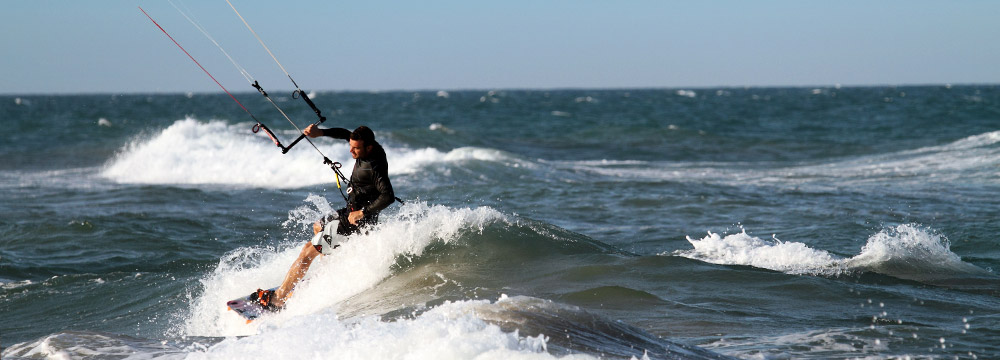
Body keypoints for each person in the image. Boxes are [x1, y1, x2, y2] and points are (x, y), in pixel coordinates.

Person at [248, 124, 395, 310]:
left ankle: (278, 298)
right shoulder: (370, 147)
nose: (351, 150)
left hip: (356, 221)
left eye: (356, 148)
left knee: (307, 251)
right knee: (318, 226)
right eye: (351, 146)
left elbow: (388, 196)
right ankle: (329, 273)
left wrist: (362, 213)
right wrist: (321, 133)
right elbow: (344, 133)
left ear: (369, 148)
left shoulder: (374, 167)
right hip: (349, 210)